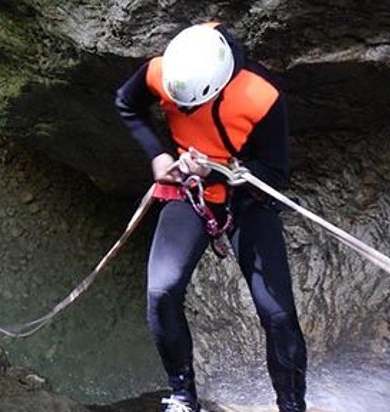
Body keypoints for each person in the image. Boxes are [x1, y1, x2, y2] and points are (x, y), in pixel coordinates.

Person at [114, 23, 307, 412]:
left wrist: (219, 169)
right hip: (192, 192)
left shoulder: (260, 95)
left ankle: (290, 406)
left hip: (245, 199)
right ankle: (184, 395)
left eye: (189, 106)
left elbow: (274, 174)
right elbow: (127, 103)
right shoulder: (164, 70)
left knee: (277, 312)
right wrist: (159, 154)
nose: (181, 111)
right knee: (162, 291)